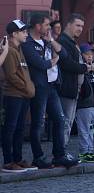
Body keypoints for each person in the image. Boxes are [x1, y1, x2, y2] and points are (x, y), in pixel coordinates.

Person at [22, 14, 77, 169]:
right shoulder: (27, 44)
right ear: (38, 26)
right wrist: (54, 60)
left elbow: (64, 54)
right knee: (38, 123)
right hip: (39, 88)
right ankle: (38, 157)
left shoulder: (47, 41)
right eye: (47, 25)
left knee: (60, 120)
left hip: (52, 86)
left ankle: (59, 155)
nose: (49, 28)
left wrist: (51, 41)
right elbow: (40, 64)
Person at [2, 21, 35, 172]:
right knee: (11, 128)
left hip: (23, 95)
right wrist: (26, 88)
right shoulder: (9, 50)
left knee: (20, 128)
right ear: (14, 34)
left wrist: (28, 89)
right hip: (14, 95)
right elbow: (11, 76)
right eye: (23, 31)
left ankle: (18, 158)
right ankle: (9, 161)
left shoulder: (19, 49)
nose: (26, 34)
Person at [56, 13, 89, 148]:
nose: (80, 29)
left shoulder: (71, 41)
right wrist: (84, 67)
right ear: (68, 24)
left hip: (73, 89)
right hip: (66, 88)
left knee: (68, 123)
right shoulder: (63, 41)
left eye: (82, 26)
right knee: (65, 123)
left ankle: (62, 151)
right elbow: (66, 63)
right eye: (77, 25)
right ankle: (60, 153)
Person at [76, 44, 94, 162]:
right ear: (82, 55)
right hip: (84, 105)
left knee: (91, 130)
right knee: (84, 130)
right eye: (87, 54)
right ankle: (83, 152)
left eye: (92, 54)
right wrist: (86, 70)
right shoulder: (81, 68)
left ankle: (90, 151)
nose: (90, 57)